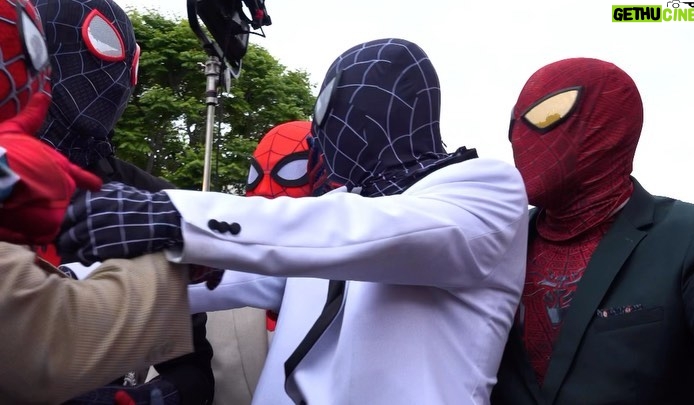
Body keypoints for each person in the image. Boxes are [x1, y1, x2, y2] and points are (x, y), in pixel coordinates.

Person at [58, 37, 529, 404]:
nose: (321, 132)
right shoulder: (331, 224)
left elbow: (373, 230)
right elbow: (205, 278)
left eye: (330, 108)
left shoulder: (485, 189)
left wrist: (170, 214)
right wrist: (63, 283)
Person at [0, 1, 199, 402]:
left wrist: (165, 394)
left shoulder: (152, 199)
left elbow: (194, 366)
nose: (110, 75)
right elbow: (45, 346)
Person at [491, 57, 694, 404]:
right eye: (513, 124)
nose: (520, 137)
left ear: (610, 121)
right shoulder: (494, 245)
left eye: (546, 115)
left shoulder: (689, 237)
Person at [189, 119, 335, 405]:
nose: (266, 193)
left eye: (290, 173)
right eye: (255, 176)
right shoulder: (213, 295)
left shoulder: (371, 294)